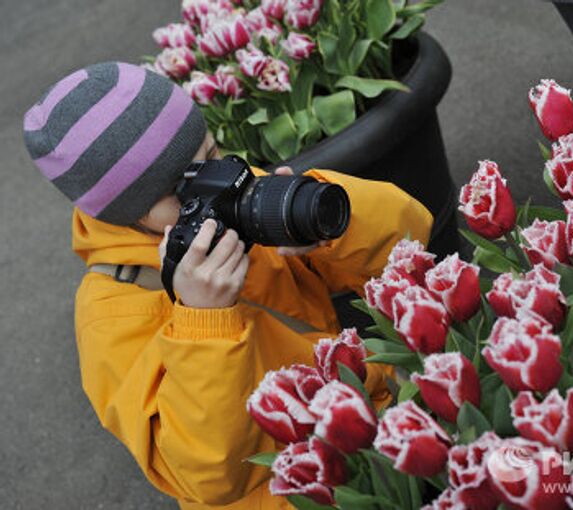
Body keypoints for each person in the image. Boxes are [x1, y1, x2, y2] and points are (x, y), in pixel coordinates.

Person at [22, 61, 433, 509]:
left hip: (369, 427)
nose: (214, 184)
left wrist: (334, 226)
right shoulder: (110, 317)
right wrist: (203, 323)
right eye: (185, 186)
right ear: (131, 214)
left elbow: (411, 240)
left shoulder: (234, 198)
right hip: (288, 494)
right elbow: (206, 473)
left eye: (212, 155)